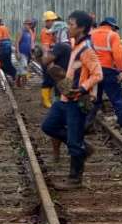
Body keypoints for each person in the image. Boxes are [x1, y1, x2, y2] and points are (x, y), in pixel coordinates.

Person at [41, 11, 102, 185]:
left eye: (72, 25)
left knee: (74, 141)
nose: (69, 28)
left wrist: (82, 89)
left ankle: (75, 178)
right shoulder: (77, 45)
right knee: (49, 126)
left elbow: (98, 74)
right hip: (65, 98)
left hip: (76, 100)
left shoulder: (87, 49)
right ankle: (82, 147)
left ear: (81, 28)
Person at [86, 16, 122, 132]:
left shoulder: (91, 34)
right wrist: (120, 71)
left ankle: (85, 125)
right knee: (117, 99)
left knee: (94, 100)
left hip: (93, 70)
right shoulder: (113, 35)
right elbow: (117, 56)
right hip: (108, 71)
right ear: (112, 26)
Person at [39, 10, 63, 108]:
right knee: (48, 80)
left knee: (53, 80)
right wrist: (48, 62)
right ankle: (46, 101)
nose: (54, 22)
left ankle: (49, 99)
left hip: (54, 57)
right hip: (49, 58)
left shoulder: (54, 30)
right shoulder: (46, 32)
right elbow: (45, 47)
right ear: (48, 21)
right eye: (52, 20)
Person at [16, 18, 35, 88]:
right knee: (24, 69)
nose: (29, 26)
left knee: (20, 69)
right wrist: (17, 52)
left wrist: (31, 54)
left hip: (27, 53)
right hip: (21, 53)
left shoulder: (30, 32)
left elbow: (30, 43)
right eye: (28, 24)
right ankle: (25, 85)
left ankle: (17, 83)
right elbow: (17, 42)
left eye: (30, 24)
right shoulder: (21, 32)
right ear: (24, 24)